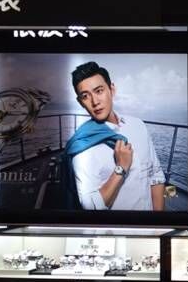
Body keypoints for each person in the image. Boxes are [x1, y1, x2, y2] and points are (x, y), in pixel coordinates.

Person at [64, 61, 165, 210]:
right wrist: (121, 168)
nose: (95, 102)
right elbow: (90, 206)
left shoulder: (138, 125)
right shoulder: (83, 148)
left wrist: (159, 220)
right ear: (81, 103)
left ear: (112, 90)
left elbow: (156, 175)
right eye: (85, 96)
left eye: (99, 91)